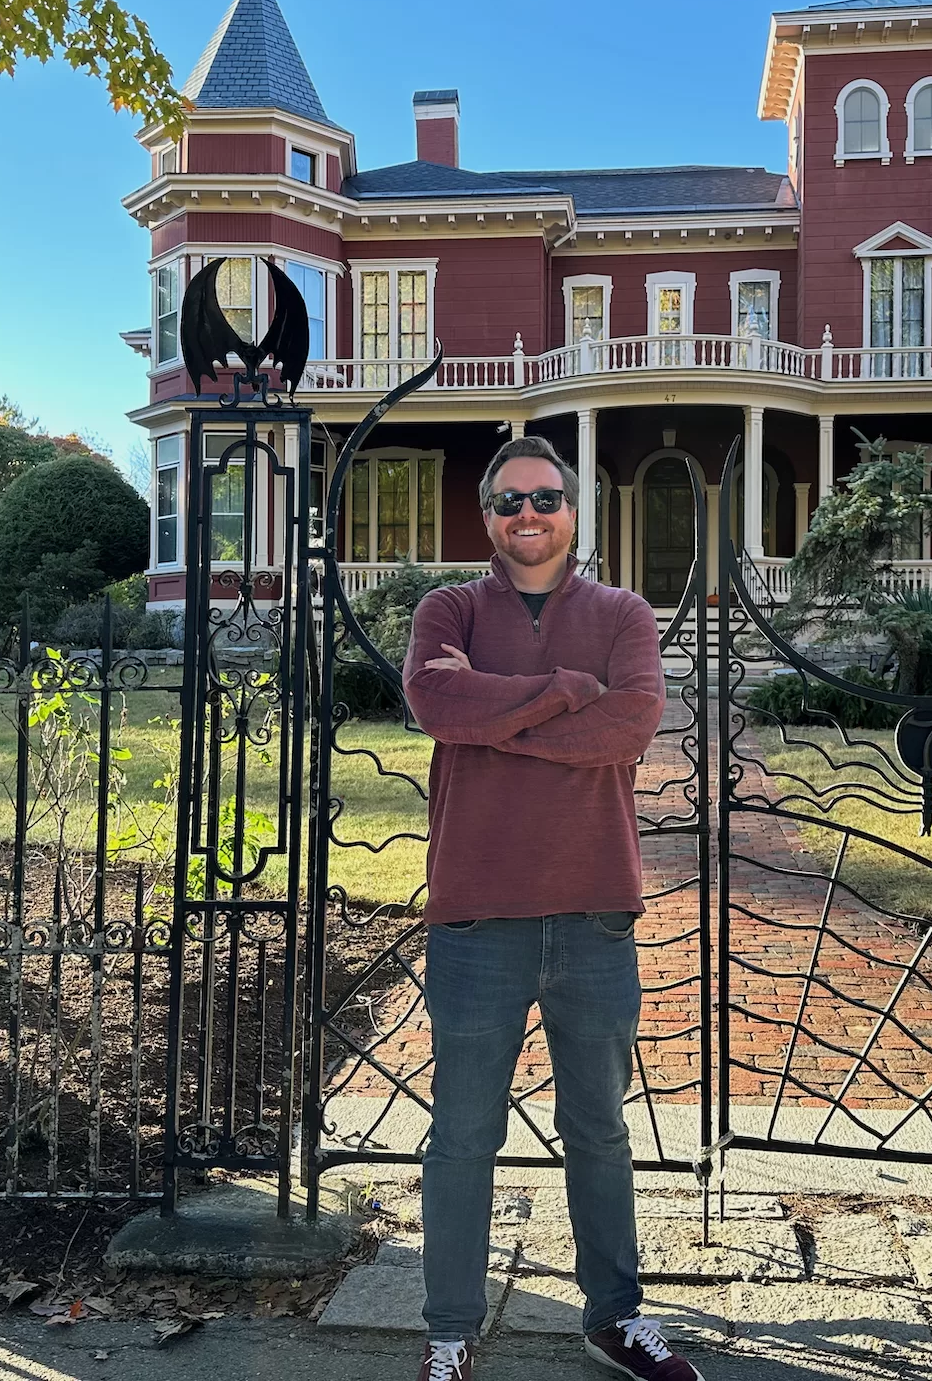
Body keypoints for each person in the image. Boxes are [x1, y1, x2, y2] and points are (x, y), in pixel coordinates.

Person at [401, 437, 699, 1381]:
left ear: (575, 510)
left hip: (593, 914)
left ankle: (614, 1319)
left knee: (600, 1130)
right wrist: (566, 694)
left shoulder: (623, 612)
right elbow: (433, 700)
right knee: (462, 1134)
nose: (527, 515)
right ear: (487, 518)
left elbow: (635, 721)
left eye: (545, 498)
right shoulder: (449, 607)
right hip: (476, 916)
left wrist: (502, 720)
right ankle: (449, 1331)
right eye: (507, 502)